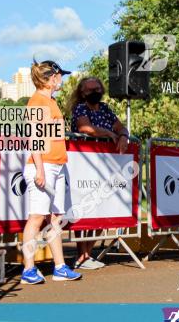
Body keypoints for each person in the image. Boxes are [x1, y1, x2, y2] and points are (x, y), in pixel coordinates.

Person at [20, 60, 82, 284]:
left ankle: (60, 267)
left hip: (54, 164)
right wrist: (39, 169)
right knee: (37, 217)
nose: (62, 79)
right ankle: (28, 269)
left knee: (55, 218)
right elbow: (33, 138)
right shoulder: (37, 102)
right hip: (43, 165)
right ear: (51, 78)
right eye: (60, 76)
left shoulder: (49, 101)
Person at [68, 76, 132, 270]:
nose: (94, 92)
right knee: (84, 207)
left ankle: (88, 253)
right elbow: (84, 128)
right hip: (83, 163)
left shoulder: (104, 108)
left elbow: (121, 127)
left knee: (102, 205)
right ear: (82, 92)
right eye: (90, 90)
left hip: (105, 164)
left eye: (97, 88)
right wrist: (108, 133)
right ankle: (81, 255)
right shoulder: (80, 108)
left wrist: (122, 135)